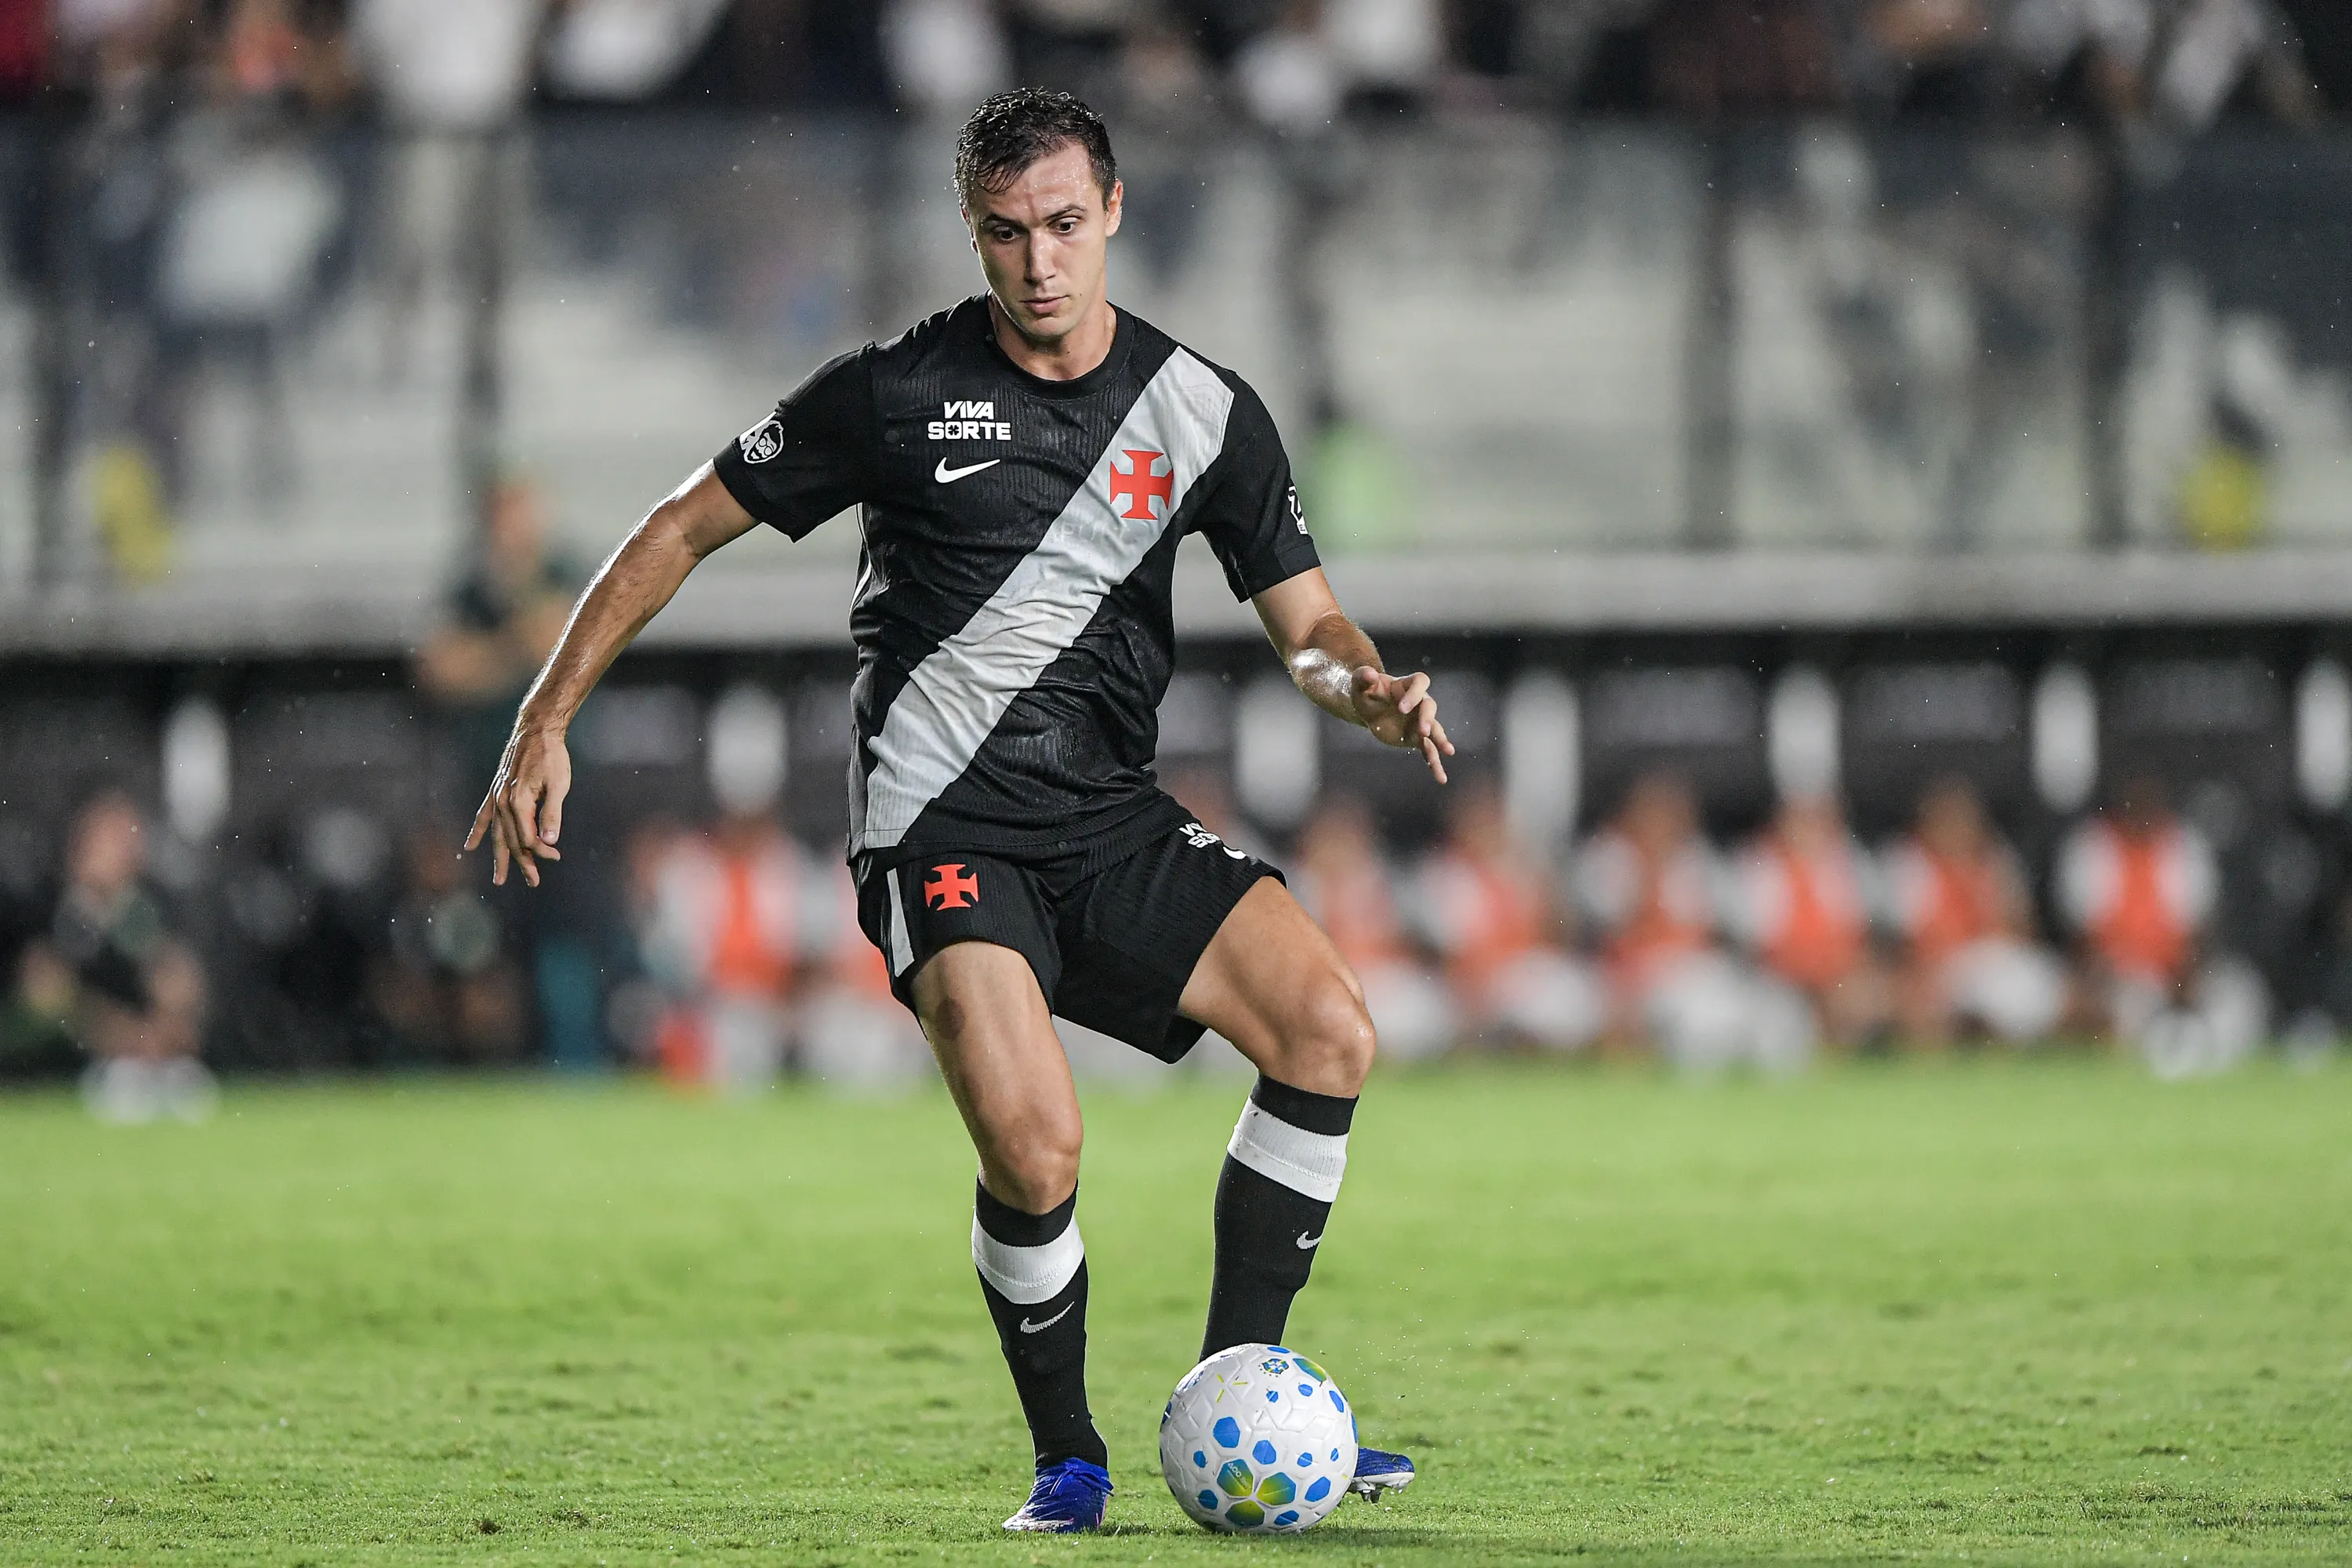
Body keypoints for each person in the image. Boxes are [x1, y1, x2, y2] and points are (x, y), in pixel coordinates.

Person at [463, 89, 1450, 1532]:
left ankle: (1244, 1386)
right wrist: (543, 716)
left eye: (1062, 224)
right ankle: (1071, 1458)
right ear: (970, 231)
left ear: (1113, 211)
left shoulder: (1205, 414)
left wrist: (1361, 688)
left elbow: (1308, 625)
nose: (1039, 261)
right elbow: (680, 524)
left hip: (1108, 817)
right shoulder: (896, 395)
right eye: (1006, 233)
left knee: (1329, 1029)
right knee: (1039, 1144)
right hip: (944, 828)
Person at [2056, 774, 2266, 1073]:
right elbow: (2083, 939)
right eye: (2135, 804)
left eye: (2149, 804)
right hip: (2122, 976)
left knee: (2240, 993)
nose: (2142, 813)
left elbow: (2201, 930)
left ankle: (2207, 1065)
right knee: (2127, 1008)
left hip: (2177, 972)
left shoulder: (2184, 844)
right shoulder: (2094, 846)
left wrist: (2183, 982)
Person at [38, 793, 215, 1121]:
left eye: (129, 839)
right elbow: (47, 998)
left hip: (149, 1058)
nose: (124, 852)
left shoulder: (151, 906)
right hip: (75, 1061)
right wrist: (122, 1036)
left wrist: (162, 1033)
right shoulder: (50, 909)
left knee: (187, 1094)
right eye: (110, 840)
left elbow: (179, 983)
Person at [1414, 782, 1605, 1054]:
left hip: (1528, 970)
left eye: (1492, 820)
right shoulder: (1445, 876)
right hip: (1478, 981)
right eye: (1477, 822)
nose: (1487, 830)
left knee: (1577, 991)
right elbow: (1449, 956)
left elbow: (1556, 930)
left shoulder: (1521, 868)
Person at [1883, 775, 2067, 1047]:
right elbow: (1903, 943)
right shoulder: (1909, 863)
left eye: (1964, 820)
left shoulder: (1993, 858)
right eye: (1947, 820)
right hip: (1941, 969)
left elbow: (2020, 924)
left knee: (2038, 983)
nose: (1957, 829)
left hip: (1994, 962)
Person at [1292, 795, 1453, 1062]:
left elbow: (1419, 937)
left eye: (1347, 837)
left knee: (1422, 1004)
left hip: (1383, 981)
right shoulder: (1298, 885)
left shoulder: (1382, 879)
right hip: (1327, 987)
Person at [1729, 792, 1888, 1051]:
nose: (1810, 828)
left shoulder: (1850, 861)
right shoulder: (1760, 865)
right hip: (1777, 986)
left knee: (1870, 995)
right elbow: (1753, 952)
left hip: (1837, 981)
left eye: (1819, 818)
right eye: (1801, 819)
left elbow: (1865, 940)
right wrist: (1812, 980)